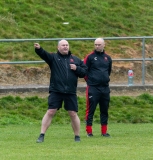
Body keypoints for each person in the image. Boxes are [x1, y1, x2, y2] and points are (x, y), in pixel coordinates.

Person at [34, 39, 88, 142]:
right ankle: (41, 135)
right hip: (56, 90)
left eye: (67, 45)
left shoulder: (75, 60)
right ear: (58, 47)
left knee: (73, 113)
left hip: (70, 91)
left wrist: (77, 68)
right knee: (50, 111)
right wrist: (39, 49)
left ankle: (77, 136)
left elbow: (84, 72)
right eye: (63, 45)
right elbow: (44, 54)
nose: (65, 47)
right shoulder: (54, 58)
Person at [83, 38, 112, 137]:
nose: (97, 46)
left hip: (105, 88)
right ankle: (89, 131)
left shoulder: (107, 58)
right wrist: (91, 82)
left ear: (104, 45)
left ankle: (104, 131)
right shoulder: (90, 57)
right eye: (95, 44)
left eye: (99, 44)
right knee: (90, 110)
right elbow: (84, 71)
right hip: (93, 88)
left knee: (104, 110)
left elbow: (108, 72)